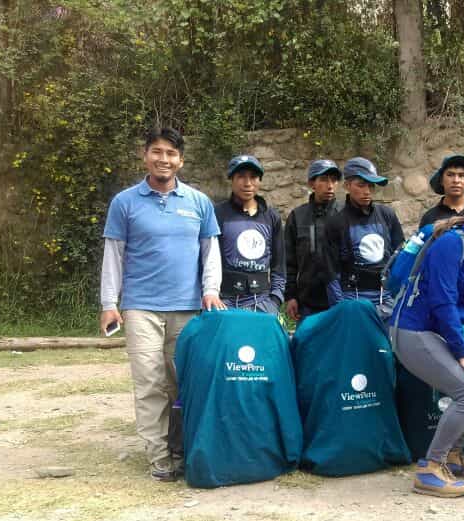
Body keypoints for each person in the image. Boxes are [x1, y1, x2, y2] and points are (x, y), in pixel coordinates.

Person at [99, 127, 224, 482]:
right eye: (157, 151)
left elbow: (209, 251)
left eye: (171, 153)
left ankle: (182, 450)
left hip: (188, 309)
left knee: (182, 383)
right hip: (141, 308)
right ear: (145, 156)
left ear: (180, 160)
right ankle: (159, 457)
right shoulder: (124, 202)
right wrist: (110, 302)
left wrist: (210, 289)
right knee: (150, 382)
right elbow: (115, 255)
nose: (163, 159)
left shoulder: (198, 203)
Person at [390, 185, 464, 498]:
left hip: (440, 333)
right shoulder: (451, 245)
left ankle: (454, 456)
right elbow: (442, 303)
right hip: (412, 330)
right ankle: (430, 468)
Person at [323, 157, 404, 313]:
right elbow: (331, 271)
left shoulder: (387, 215)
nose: (367, 191)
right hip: (352, 298)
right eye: (361, 185)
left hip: (386, 297)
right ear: (347, 185)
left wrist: (397, 296)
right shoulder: (336, 222)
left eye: (370, 185)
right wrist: (341, 307)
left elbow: (400, 255)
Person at [214, 154, 285, 314]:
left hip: (262, 303)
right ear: (231, 179)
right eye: (241, 177)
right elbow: (209, 260)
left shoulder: (271, 217)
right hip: (224, 302)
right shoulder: (218, 214)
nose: (247, 183)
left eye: (253, 177)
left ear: (259, 180)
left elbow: (279, 265)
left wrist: (275, 299)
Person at [284, 159, 342, 323]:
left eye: (333, 180)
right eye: (324, 180)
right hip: (306, 302)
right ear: (312, 184)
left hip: (341, 300)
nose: (330, 185)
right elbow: (289, 261)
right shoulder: (297, 216)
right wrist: (290, 296)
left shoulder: (344, 214)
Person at [419, 154, 464, 228]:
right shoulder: (430, 218)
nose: (456, 180)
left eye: (461, 175)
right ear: (441, 180)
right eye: (450, 175)